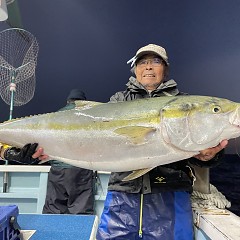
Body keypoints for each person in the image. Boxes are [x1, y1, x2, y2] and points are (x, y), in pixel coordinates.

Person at [0, 44, 228, 239]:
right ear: (135, 69)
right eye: (142, 62)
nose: (148, 66)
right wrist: (33, 151)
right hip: (122, 196)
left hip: (169, 195)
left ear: (165, 69)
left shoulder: (184, 102)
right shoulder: (119, 100)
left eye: (155, 61)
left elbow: (202, 154)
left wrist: (210, 155)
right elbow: (96, 140)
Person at [42, 89, 94, 215]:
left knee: (53, 209)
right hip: (80, 169)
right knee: (80, 208)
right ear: (84, 102)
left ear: (68, 101)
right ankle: (80, 233)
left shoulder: (56, 115)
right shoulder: (88, 116)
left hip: (57, 169)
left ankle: (50, 233)